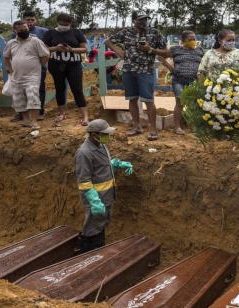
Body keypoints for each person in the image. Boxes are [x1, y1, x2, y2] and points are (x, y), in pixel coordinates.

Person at [105, 11, 168, 141]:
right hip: (129, 70)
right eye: (141, 20)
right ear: (134, 21)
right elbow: (108, 41)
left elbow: (166, 52)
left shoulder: (155, 33)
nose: (144, 22)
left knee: (148, 100)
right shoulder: (126, 32)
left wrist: (151, 50)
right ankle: (136, 127)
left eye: (146, 20)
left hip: (146, 70)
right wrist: (118, 51)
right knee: (132, 99)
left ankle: (153, 129)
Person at [75, 119, 133, 253]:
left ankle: (98, 250)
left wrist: (118, 164)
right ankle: (86, 253)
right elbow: (84, 181)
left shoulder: (101, 145)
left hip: (106, 197)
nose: (107, 136)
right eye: (104, 134)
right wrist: (95, 202)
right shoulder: (84, 153)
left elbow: (101, 165)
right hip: (96, 199)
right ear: (94, 134)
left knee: (100, 227)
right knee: (92, 229)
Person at [43, 13, 89, 126]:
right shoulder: (49, 33)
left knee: (77, 89)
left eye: (67, 24)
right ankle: (61, 113)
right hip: (56, 65)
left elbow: (84, 49)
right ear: (57, 22)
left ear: (70, 23)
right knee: (60, 88)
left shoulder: (76, 32)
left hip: (73, 65)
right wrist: (56, 48)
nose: (64, 26)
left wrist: (71, 49)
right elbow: (43, 48)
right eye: (62, 24)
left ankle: (85, 116)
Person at [3, 21, 50, 132]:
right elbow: (6, 57)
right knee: (19, 99)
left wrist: (38, 64)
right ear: (15, 31)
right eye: (21, 29)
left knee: (33, 95)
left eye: (26, 28)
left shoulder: (35, 41)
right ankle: (26, 120)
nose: (24, 30)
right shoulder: (11, 43)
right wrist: (10, 69)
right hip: (16, 76)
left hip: (32, 76)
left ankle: (34, 121)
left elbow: (46, 55)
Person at [156, 30, 204, 135]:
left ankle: (193, 126)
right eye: (190, 39)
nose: (193, 41)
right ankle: (177, 127)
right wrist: (169, 67)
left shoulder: (200, 50)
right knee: (180, 102)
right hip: (179, 81)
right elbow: (161, 57)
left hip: (194, 81)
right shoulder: (175, 49)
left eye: (194, 39)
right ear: (183, 40)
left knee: (194, 103)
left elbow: (204, 65)